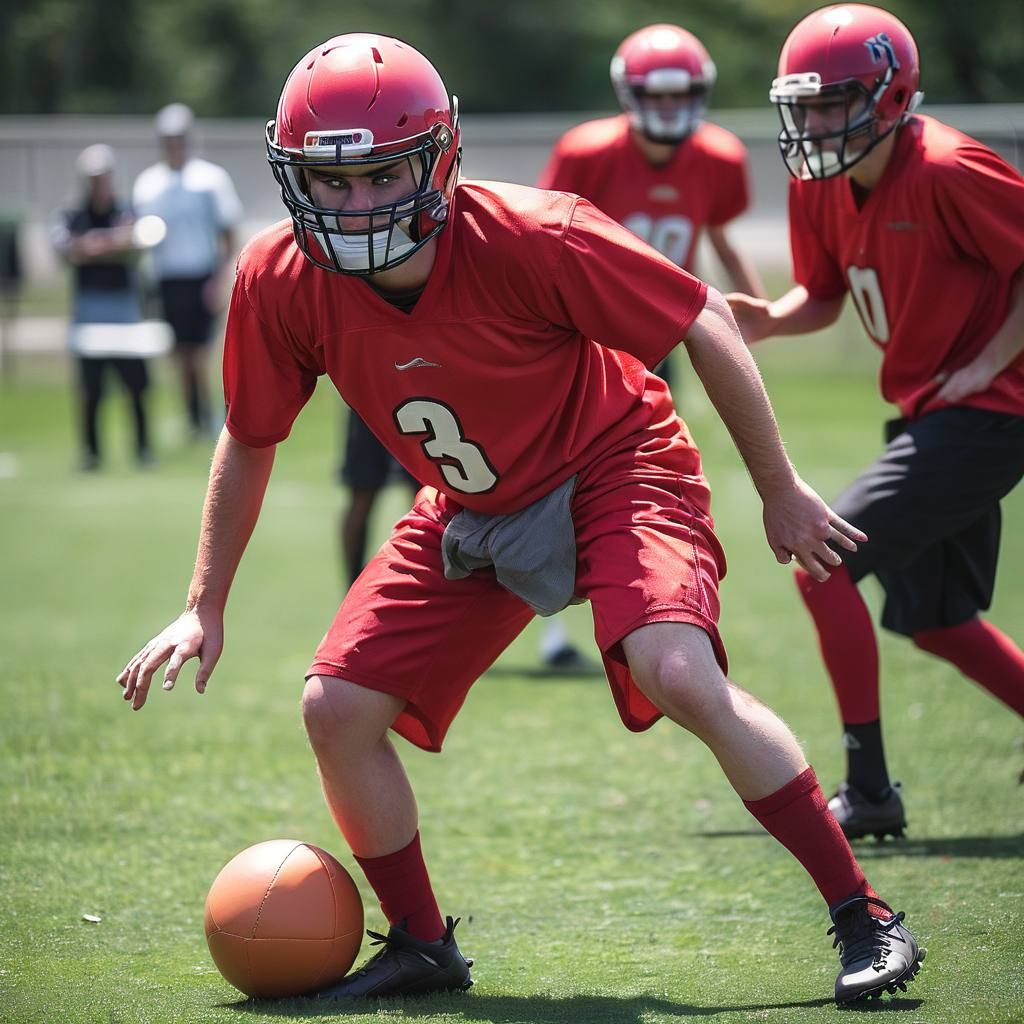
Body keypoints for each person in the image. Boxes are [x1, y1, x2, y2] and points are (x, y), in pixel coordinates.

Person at [117, 34, 924, 1005]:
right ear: (293, 179)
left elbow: (703, 317)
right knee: (335, 709)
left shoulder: (538, 233)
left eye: (382, 174)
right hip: (474, 500)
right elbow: (249, 437)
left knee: (679, 672)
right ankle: (422, 943)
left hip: (613, 465)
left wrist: (779, 485)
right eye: (330, 181)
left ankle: (862, 912)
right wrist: (204, 603)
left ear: (439, 161)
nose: (356, 204)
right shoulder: (279, 277)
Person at [726, 4, 1024, 841]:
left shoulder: (950, 169)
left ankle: (869, 788)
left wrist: (987, 364)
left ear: (894, 96)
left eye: (836, 102)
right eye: (807, 104)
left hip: (989, 414)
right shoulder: (818, 180)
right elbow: (823, 296)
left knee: (822, 563)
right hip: (934, 414)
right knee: (938, 623)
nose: (817, 122)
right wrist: (767, 318)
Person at [538, 23, 767, 393]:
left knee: (656, 439)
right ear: (629, 93)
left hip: (662, 318)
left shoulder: (720, 157)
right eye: (656, 95)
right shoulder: (586, 153)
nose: (669, 107)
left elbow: (722, 240)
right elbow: (542, 242)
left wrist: (759, 309)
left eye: (679, 95)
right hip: (590, 318)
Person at [339, 408, 598, 674]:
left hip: (422, 392)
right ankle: (353, 622)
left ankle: (430, 626)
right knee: (367, 497)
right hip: (387, 394)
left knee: (429, 498)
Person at [133, 103, 243, 440]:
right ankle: (191, 415)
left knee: (202, 352)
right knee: (179, 353)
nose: (174, 144)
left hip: (201, 275)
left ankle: (213, 413)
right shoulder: (149, 183)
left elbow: (227, 232)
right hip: (168, 278)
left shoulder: (209, 179)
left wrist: (219, 277)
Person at [52, 144, 153, 470]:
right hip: (90, 307)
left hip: (124, 306)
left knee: (136, 383)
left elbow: (137, 241)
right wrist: (111, 243)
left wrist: (94, 245)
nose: (99, 183)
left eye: (103, 177)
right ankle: (91, 452)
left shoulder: (125, 210)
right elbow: (66, 250)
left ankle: (143, 449)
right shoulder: (73, 214)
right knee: (91, 387)